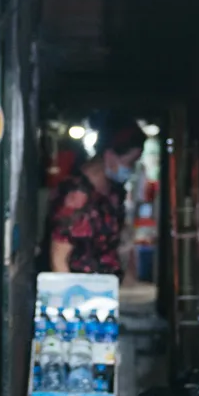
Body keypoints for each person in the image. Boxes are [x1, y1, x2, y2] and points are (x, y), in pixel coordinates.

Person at [45, 115, 147, 278]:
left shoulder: (114, 192)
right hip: (77, 293)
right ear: (109, 155)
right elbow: (58, 260)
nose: (131, 169)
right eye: (129, 162)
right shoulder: (76, 195)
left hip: (104, 291)